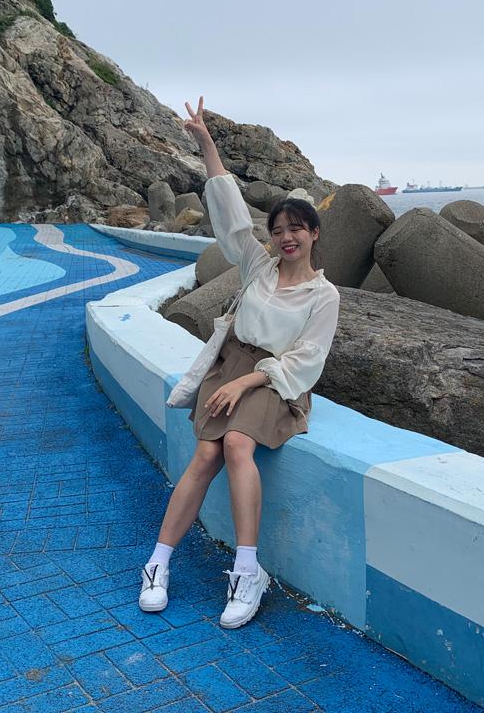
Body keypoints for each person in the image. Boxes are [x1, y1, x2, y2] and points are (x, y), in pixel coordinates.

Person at [138, 97, 340, 629]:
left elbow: (307, 359)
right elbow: (229, 213)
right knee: (204, 457)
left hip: (277, 379)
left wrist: (249, 381)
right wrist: (206, 144)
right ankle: (158, 562)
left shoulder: (325, 295)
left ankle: (247, 570)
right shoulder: (258, 267)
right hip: (231, 366)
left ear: (315, 234)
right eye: (278, 229)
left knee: (234, 443)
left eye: (298, 228)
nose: (287, 236)